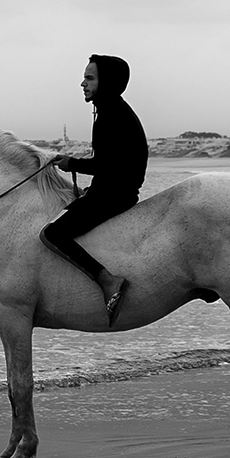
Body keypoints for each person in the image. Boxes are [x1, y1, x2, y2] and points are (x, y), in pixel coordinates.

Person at [41, 54, 147, 326]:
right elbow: (113, 165)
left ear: (106, 83)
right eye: (84, 78)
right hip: (112, 191)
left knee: (52, 234)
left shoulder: (111, 114)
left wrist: (71, 163)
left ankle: (107, 280)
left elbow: (107, 164)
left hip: (114, 196)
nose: (83, 84)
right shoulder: (111, 109)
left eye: (89, 78)